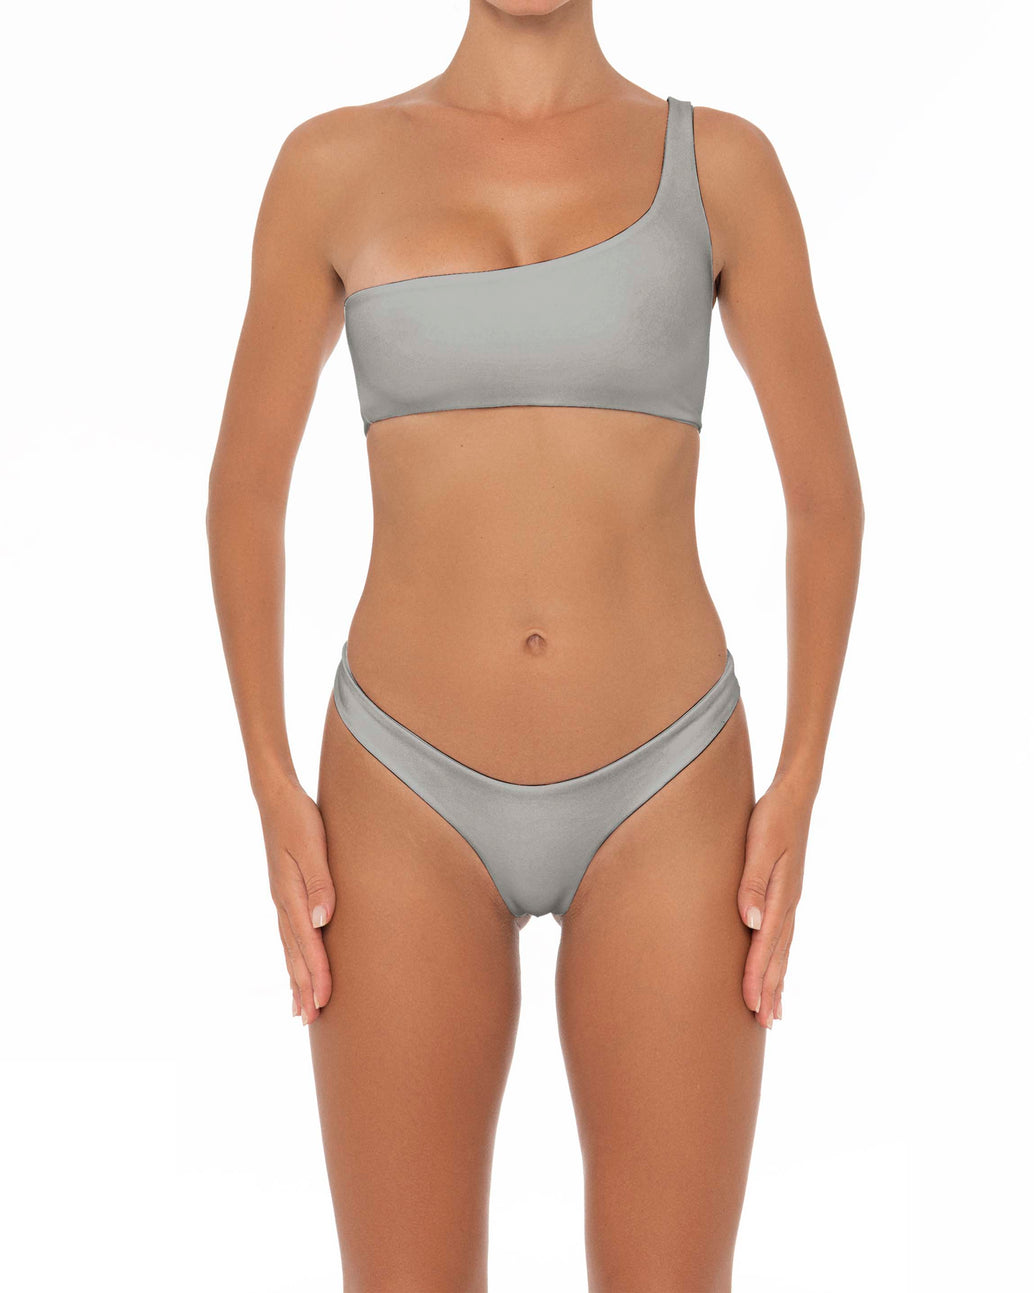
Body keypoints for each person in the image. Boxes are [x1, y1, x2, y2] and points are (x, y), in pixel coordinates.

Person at [206, 1, 863, 1287]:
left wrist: (800, 780)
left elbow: (827, 498)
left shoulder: (722, 166)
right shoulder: (330, 166)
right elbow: (243, 493)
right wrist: (270, 777)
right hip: (399, 790)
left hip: (670, 787)